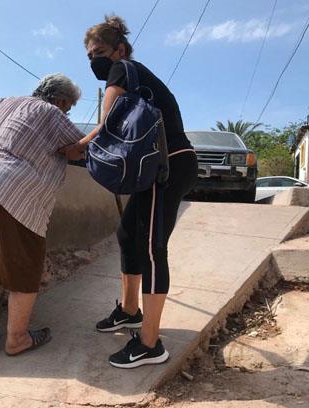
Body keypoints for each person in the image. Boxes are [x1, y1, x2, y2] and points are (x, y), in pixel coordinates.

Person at [69, 15, 199, 368]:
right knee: (128, 234)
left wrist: (74, 148)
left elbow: (107, 124)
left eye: (99, 52)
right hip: (156, 166)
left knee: (151, 248)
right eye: (89, 55)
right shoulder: (133, 72)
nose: (93, 60)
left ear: (119, 49)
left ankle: (150, 344)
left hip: (167, 165)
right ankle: (129, 311)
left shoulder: (122, 69)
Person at [0, 73, 86, 356]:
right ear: (61, 100)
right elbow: (79, 150)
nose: (67, 112)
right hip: (14, 193)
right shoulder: (53, 114)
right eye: (69, 106)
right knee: (25, 270)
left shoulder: (8, 101)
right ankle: (18, 339)